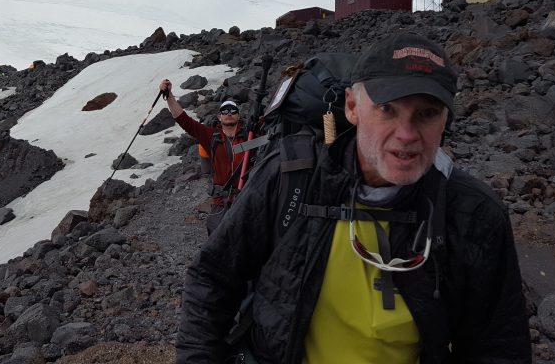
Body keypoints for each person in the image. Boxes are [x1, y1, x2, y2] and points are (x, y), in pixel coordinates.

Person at [177, 33, 531, 364]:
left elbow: (498, 343)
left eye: (427, 113)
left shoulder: (474, 213)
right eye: (387, 109)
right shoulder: (291, 175)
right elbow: (213, 277)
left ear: (446, 119)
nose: (406, 135)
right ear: (351, 107)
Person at [160, 79, 247, 234]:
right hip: (221, 203)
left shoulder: (250, 136)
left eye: (233, 111)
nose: (229, 114)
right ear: (219, 117)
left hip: (247, 199)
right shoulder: (211, 136)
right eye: (224, 111)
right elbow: (184, 121)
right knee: (217, 243)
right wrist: (169, 95)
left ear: (238, 116)